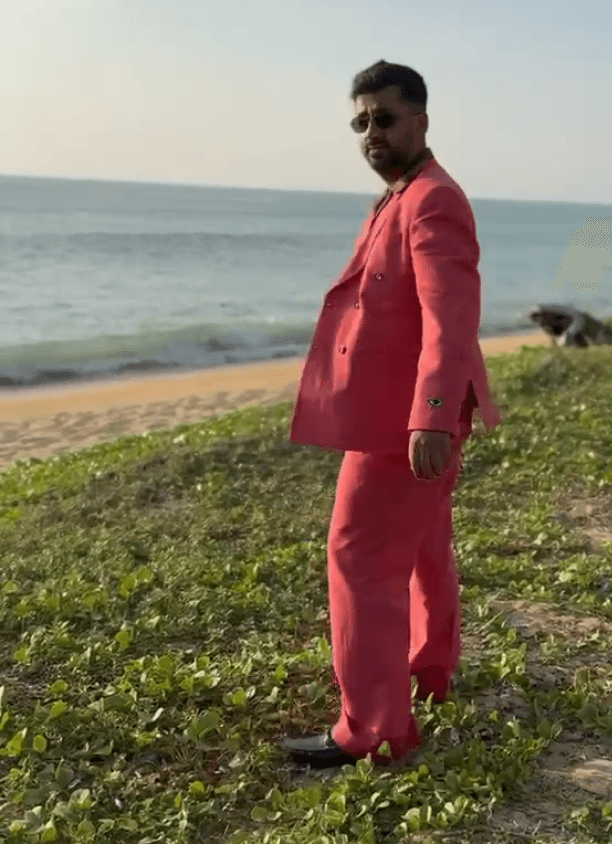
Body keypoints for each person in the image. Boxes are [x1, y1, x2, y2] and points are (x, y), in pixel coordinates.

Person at [281, 60, 501, 769]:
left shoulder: (432, 200)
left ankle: (372, 730)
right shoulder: (402, 195)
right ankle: (430, 669)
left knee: (359, 556)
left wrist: (431, 415)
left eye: (384, 118)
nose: (370, 132)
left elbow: (450, 317)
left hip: (405, 421)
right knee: (424, 543)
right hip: (398, 413)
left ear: (421, 121)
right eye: (360, 121)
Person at [528, 303, 612, 348]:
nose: (539, 322)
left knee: (601, 339)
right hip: (576, 325)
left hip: (583, 322)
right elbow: (552, 335)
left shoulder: (553, 312)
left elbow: (577, 316)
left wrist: (569, 334)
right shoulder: (547, 319)